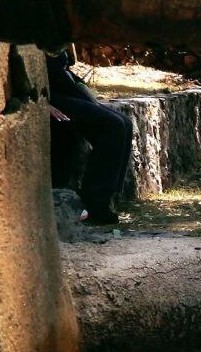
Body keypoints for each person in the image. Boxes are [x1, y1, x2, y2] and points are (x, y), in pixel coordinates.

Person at [46, 50, 133, 224]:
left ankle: (109, 198)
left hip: (65, 86)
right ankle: (95, 203)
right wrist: (44, 104)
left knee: (125, 122)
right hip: (51, 95)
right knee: (113, 125)